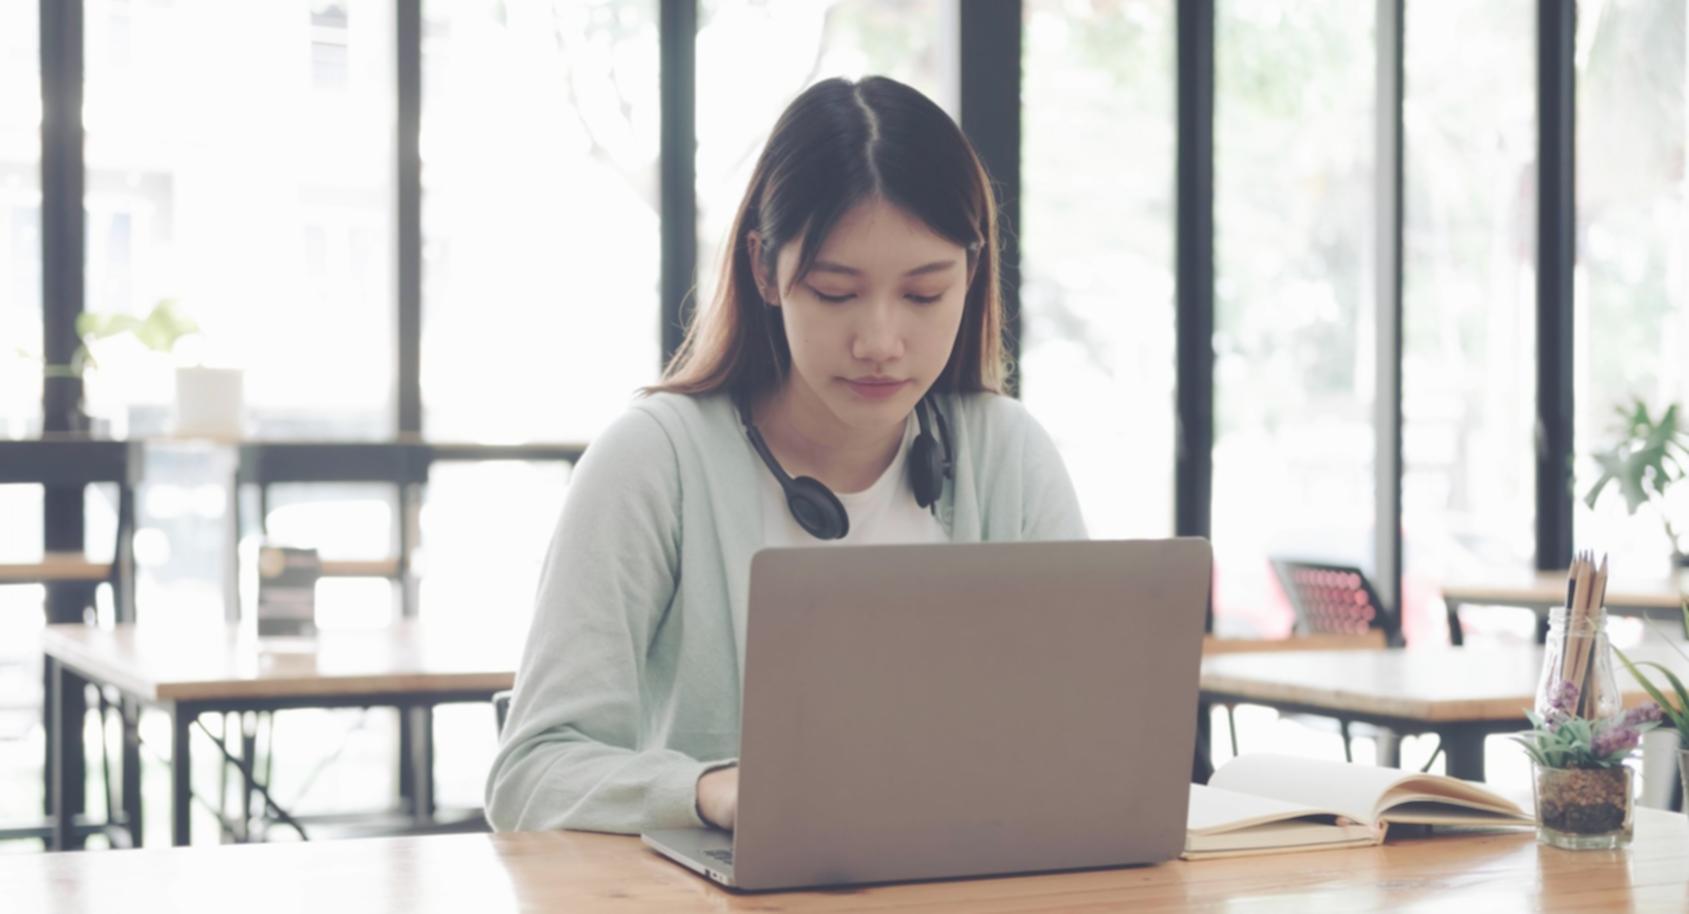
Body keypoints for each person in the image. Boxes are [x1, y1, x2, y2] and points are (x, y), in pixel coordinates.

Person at [485, 75, 1086, 835]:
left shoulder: (1007, 454)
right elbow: (531, 773)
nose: (879, 342)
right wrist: (711, 791)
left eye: (925, 294)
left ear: (971, 274)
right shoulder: (654, 461)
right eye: (835, 293)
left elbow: (1081, 743)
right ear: (765, 270)